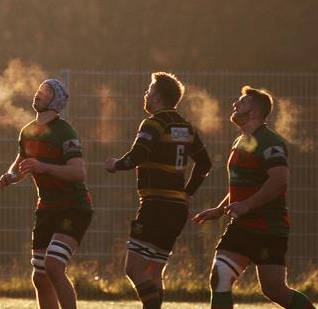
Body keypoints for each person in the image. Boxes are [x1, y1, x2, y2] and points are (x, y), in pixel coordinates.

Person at [193, 86, 315, 309]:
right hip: (241, 226)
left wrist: (247, 205)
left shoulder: (269, 141)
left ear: (255, 112)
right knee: (220, 276)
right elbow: (242, 187)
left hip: (268, 227)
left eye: (242, 102)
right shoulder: (240, 141)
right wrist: (220, 210)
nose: (235, 104)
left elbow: (280, 180)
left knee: (274, 290)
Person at [105, 72, 212, 308]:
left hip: (155, 207)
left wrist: (116, 164)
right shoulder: (187, 128)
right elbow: (205, 164)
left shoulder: (154, 123)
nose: (145, 94)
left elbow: (137, 156)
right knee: (154, 272)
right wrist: (188, 192)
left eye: (149, 90)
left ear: (157, 97)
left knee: (134, 269)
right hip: (177, 209)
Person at [0, 78, 91, 309]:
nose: (38, 93)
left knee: (53, 266)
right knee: (40, 276)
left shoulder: (65, 132)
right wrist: (10, 176)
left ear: (56, 101)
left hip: (73, 207)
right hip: (47, 208)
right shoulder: (27, 131)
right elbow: (20, 164)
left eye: (46, 91)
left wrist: (44, 167)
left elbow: (78, 172)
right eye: (39, 89)